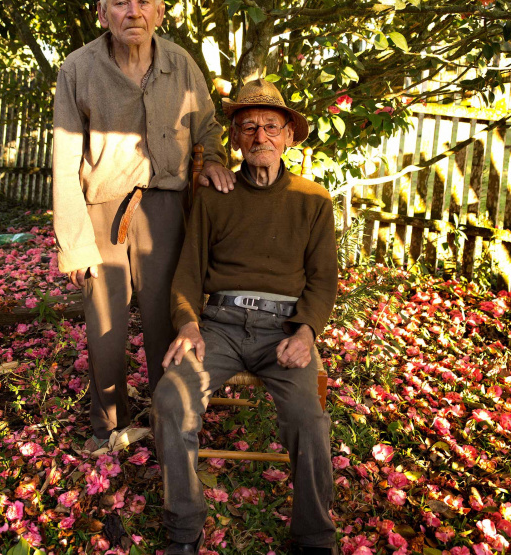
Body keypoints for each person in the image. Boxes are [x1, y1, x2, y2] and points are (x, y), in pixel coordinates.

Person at [151, 79, 339, 555]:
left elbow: (323, 280)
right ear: (234, 138)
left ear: (289, 136)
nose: (261, 137)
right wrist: (188, 324)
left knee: (309, 419)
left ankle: (315, 537)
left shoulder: (313, 200)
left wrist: (306, 332)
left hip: (284, 331)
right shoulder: (216, 195)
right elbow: (188, 272)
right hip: (220, 325)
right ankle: (184, 529)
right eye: (249, 127)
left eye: (271, 127)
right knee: (170, 400)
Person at [51, 0, 236, 451]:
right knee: (105, 326)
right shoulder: (78, 69)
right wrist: (74, 244)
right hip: (102, 210)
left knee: (166, 321)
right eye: (120, 3)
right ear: (102, 14)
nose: (133, 12)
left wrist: (214, 159)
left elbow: (207, 126)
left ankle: (169, 421)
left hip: (167, 209)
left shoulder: (181, 64)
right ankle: (107, 428)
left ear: (160, 13)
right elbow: (64, 160)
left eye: (144, 2)